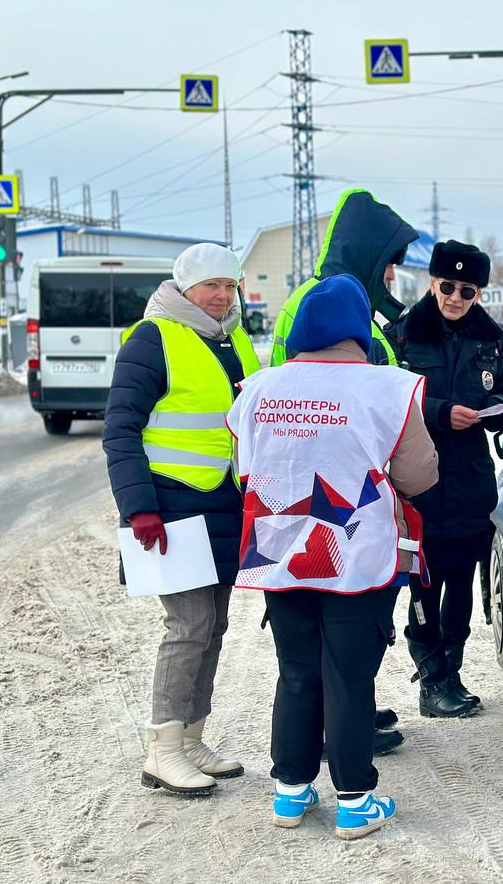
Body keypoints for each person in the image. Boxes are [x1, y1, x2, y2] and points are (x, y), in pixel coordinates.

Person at [227, 274, 439, 839]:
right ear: (358, 329)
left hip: (280, 554)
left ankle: (291, 793)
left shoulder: (256, 389)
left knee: (296, 672)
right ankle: (354, 800)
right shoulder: (389, 388)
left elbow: (243, 471)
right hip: (354, 557)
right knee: (349, 676)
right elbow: (418, 476)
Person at [103, 242, 260, 796]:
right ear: (185, 288)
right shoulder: (153, 338)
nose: (221, 296)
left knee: (213, 627)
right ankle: (163, 750)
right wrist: (139, 508)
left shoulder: (236, 341)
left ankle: (193, 738)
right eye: (211, 286)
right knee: (189, 626)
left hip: (223, 504)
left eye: (229, 286)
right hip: (168, 510)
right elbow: (120, 430)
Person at [271, 185, 418, 754]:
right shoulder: (318, 301)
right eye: (389, 267)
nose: (392, 280)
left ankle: (349, 712)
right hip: (332, 489)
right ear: (367, 255)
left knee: (347, 625)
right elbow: (314, 397)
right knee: (338, 619)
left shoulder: (353, 301)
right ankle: (343, 729)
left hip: (350, 485)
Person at [389, 240, 503, 717]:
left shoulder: (492, 338)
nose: (456, 298)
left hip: (469, 477)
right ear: (432, 283)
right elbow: (390, 397)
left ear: (478, 293)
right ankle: (430, 679)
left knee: (461, 582)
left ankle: (452, 672)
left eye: (467, 290)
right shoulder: (404, 333)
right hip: (419, 479)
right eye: (448, 287)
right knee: (424, 582)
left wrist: (495, 413)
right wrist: (442, 413)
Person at [271, 187, 417, 367]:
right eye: (388, 265)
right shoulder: (328, 309)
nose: (392, 276)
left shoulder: (311, 302)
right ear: (366, 259)